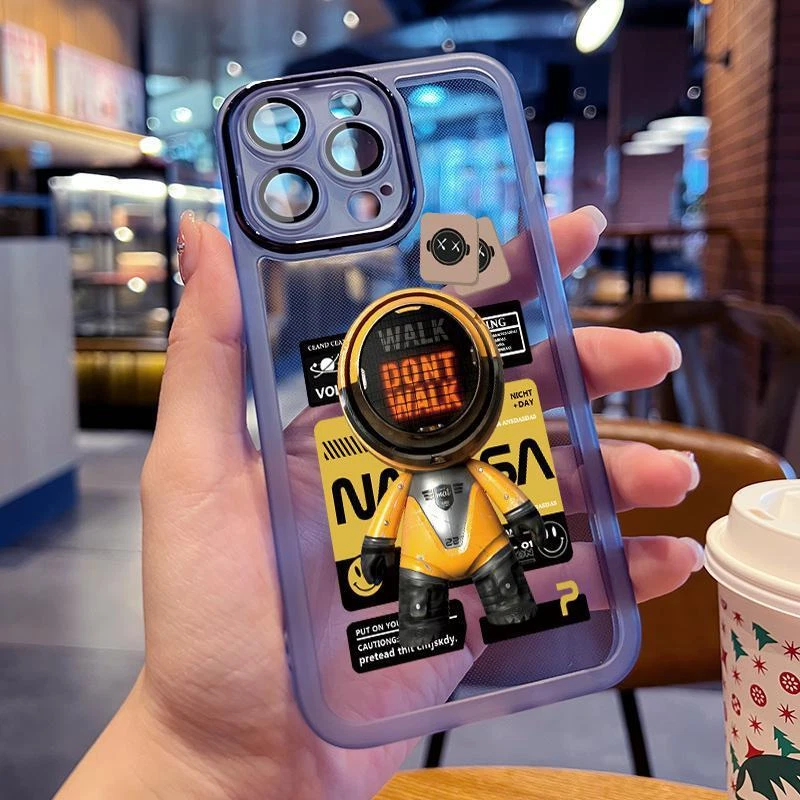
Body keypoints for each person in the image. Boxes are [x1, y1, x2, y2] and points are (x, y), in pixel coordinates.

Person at [56, 208, 704, 799]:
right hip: (427, 555)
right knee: (430, 595)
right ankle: (432, 619)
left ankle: (476, 608)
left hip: (475, 544)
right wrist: (199, 756)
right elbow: (395, 513)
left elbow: (498, 494)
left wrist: (525, 518)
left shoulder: (469, 464)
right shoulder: (407, 478)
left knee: (499, 586)